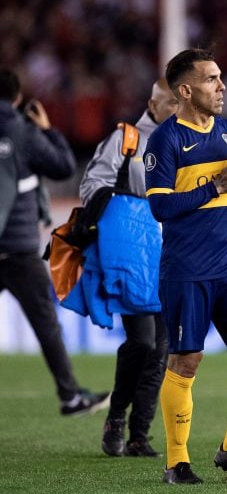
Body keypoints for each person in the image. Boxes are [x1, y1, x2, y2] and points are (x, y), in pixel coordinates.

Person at [144, 49, 227, 485]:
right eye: (211, 80)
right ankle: (177, 463)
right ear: (185, 90)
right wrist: (214, 184)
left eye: (221, 78)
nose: (222, 87)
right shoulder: (164, 141)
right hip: (187, 269)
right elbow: (162, 207)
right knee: (187, 360)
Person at [0, 67, 110, 416]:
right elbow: (63, 166)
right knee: (47, 326)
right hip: (17, 247)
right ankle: (70, 395)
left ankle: (71, 394)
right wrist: (47, 129)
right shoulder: (23, 131)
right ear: (17, 97)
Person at [79, 79, 178, 457]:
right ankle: (117, 417)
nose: (178, 111)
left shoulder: (183, 141)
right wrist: (119, 211)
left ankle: (139, 435)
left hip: (170, 254)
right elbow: (93, 184)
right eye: (172, 104)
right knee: (142, 341)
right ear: (154, 104)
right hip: (133, 252)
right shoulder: (127, 139)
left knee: (161, 350)